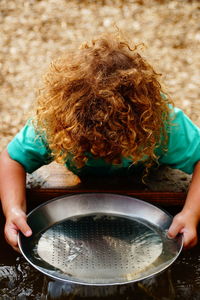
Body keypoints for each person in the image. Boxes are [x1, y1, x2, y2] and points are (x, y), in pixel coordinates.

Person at [0, 33, 200, 252]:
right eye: (91, 143)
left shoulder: (163, 126)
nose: (101, 151)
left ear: (140, 126)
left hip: (147, 175)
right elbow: (11, 159)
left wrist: (191, 213)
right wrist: (14, 210)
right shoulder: (54, 124)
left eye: (114, 144)